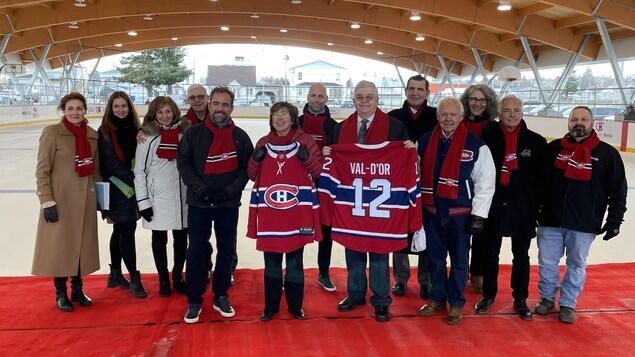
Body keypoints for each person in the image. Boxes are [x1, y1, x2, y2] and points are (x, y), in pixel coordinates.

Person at [321, 80, 418, 323]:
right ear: (353, 100)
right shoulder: (339, 129)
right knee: (352, 249)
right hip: (351, 203)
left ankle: (381, 300)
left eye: (369, 97)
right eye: (359, 97)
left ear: (377, 100)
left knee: (378, 252)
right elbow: (333, 160)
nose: (364, 101)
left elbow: (406, 161)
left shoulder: (395, 127)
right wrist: (327, 153)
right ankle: (355, 294)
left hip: (380, 204)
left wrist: (409, 149)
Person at [535, 106, 627, 324]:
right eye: (574, 119)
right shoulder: (554, 149)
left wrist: (614, 220)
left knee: (576, 264)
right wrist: (534, 211)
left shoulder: (607, 154)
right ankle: (546, 298)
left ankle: (567, 302)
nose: (578, 123)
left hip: (584, 222)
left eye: (583, 119)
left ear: (592, 122)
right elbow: (539, 183)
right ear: (568, 122)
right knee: (547, 263)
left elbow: (618, 190)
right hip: (550, 219)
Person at [177, 86, 253, 323]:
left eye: (225, 105)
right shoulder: (194, 134)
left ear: (231, 107)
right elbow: (184, 163)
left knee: (226, 250)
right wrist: (200, 189)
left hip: (227, 205)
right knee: (196, 251)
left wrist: (230, 191)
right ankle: (194, 299)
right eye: (216, 104)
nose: (220, 109)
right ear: (210, 105)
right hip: (199, 204)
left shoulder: (240, 137)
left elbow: (246, 169)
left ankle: (220, 294)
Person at [417, 96, 495, 325]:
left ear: (461, 117)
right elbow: (412, 173)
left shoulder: (476, 145)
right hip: (432, 213)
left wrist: (479, 215)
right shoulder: (424, 141)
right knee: (435, 259)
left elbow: (485, 181)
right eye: (444, 114)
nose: (448, 118)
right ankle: (437, 298)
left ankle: (457, 303)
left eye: (453, 114)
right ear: (438, 116)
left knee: (460, 261)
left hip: (459, 216)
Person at [247, 101, 323, 321]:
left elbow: (318, 171)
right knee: (271, 262)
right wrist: (255, 159)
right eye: (275, 114)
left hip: (297, 213)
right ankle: (270, 306)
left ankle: (295, 306)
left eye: (284, 114)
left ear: (293, 118)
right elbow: (252, 175)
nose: (279, 118)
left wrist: (306, 157)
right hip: (271, 214)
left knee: (294, 261)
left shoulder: (306, 141)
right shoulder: (264, 142)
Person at [476, 95, 549, 320]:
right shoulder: (486, 137)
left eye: (516, 110)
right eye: (507, 110)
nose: (512, 115)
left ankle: (520, 298)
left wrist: (537, 207)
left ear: (522, 112)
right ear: (499, 113)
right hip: (494, 206)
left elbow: (542, 179)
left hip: (523, 208)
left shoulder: (536, 142)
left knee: (521, 255)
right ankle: (488, 294)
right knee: (490, 253)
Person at [32, 92, 101, 312]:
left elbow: (96, 171)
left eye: (79, 108)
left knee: (82, 246)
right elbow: (42, 171)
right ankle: (61, 292)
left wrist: (101, 200)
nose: (75, 113)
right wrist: (47, 201)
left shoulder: (91, 135)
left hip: (85, 201)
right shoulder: (52, 133)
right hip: (60, 201)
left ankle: (78, 289)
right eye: (70, 108)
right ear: (63, 110)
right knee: (62, 247)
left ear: (85, 110)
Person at [134, 96, 191, 297]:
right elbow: (139, 172)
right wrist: (143, 202)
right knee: (159, 239)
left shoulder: (184, 135)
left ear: (175, 112)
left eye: (168, 111)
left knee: (181, 239)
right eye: (160, 112)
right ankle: (163, 279)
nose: (165, 116)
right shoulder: (146, 138)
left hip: (182, 197)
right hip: (157, 199)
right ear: (153, 114)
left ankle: (177, 276)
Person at [387, 74, 437, 299]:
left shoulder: (437, 117)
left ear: (427, 93)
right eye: (411, 88)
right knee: (399, 231)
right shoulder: (392, 118)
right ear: (405, 91)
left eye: (420, 89)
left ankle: (426, 280)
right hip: (398, 186)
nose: (415, 92)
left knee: (426, 231)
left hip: (428, 185)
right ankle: (400, 279)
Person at [98, 91, 147, 298]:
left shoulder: (135, 129)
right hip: (118, 188)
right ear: (110, 109)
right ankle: (134, 279)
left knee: (120, 231)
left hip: (131, 186)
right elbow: (111, 163)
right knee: (126, 231)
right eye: (116, 106)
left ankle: (115, 274)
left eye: (124, 106)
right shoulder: (106, 132)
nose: (120, 110)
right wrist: (136, 180)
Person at [458, 83, 498, 293]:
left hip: (484, 188)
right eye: (473, 99)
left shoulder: (494, 128)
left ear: (488, 103)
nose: (477, 103)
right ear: (467, 101)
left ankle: (478, 273)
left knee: (481, 234)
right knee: (462, 234)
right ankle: (461, 270)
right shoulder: (458, 124)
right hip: (460, 188)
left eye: (482, 100)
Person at [298, 83, 338, 292]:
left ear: (326, 99)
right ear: (307, 96)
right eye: (313, 95)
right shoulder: (296, 123)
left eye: (320, 96)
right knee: (297, 231)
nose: (316, 99)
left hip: (324, 188)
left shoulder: (334, 126)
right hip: (299, 187)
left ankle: (324, 273)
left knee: (326, 231)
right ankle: (296, 272)